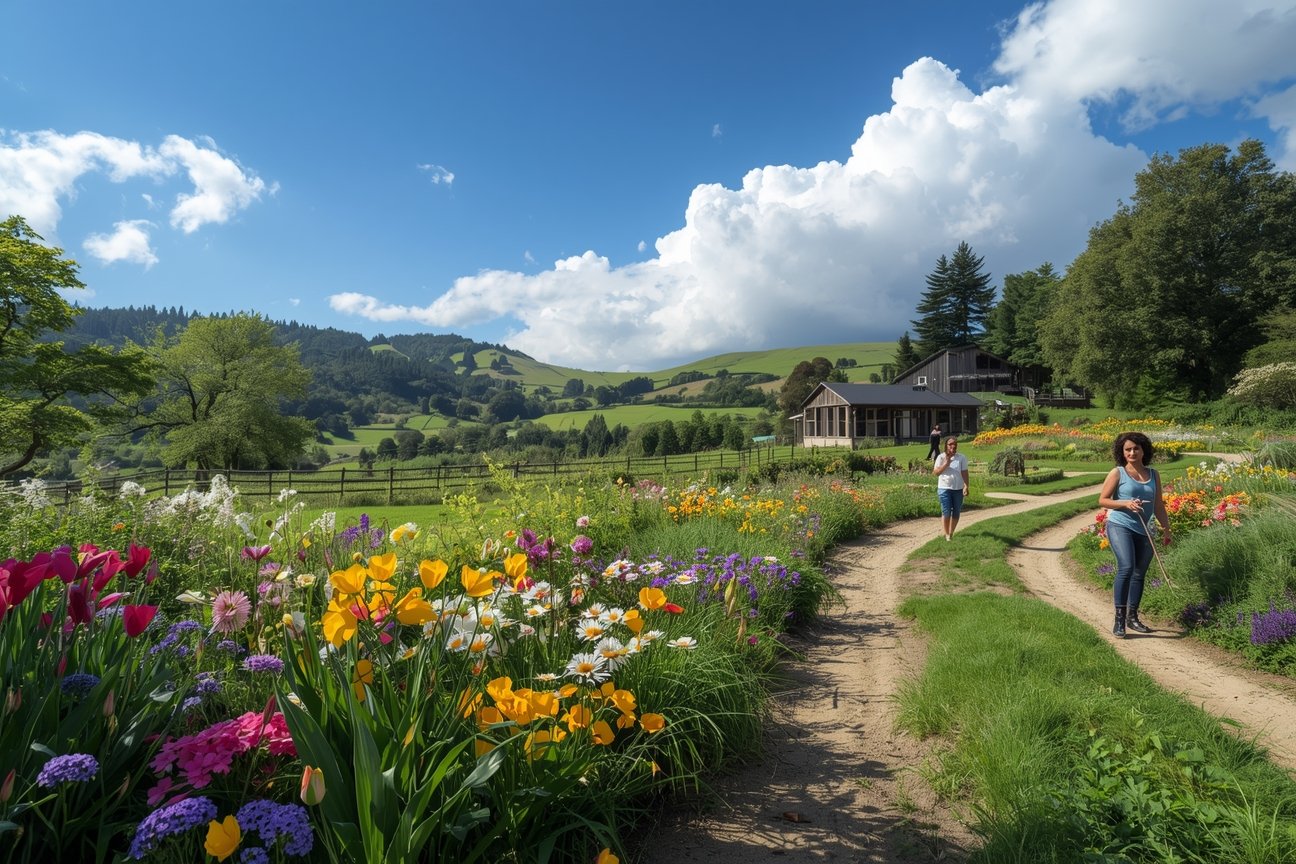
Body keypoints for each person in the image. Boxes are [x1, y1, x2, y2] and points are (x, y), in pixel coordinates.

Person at [1098, 431, 1171, 638]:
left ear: (1143, 451)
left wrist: (1167, 528)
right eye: (1127, 449)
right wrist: (1125, 503)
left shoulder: (1153, 475)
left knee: (1139, 573)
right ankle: (1119, 619)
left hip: (1145, 528)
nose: (1132, 453)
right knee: (1127, 567)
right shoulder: (1118, 473)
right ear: (1122, 452)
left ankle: (1133, 617)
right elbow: (1103, 500)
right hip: (1120, 525)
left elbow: (1158, 505)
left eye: (1136, 449)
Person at [932, 436, 969, 541]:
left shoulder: (961, 458)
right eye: (950, 444)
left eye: (955, 444)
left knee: (956, 512)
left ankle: (951, 532)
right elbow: (936, 473)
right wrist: (946, 464)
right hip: (944, 488)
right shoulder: (940, 457)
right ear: (946, 446)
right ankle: (947, 534)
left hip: (958, 489)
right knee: (946, 512)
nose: (953, 446)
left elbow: (964, 473)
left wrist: (966, 486)